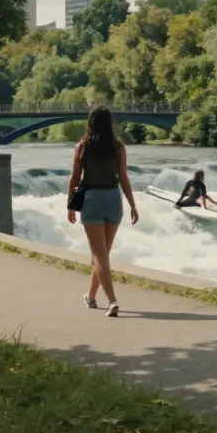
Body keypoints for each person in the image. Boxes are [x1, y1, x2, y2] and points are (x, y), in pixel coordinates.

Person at [66, 106, 138, 317]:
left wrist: (71, 205)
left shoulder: (82, 147)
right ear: (110, 124)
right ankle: (90, 296)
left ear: (91, 123)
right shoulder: (118, 147)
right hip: (113, 199)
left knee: (99, 255)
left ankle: (113, 301)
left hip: (92, 200)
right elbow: (124, 177)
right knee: (103, 255)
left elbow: (74, 178)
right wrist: (133, 204)